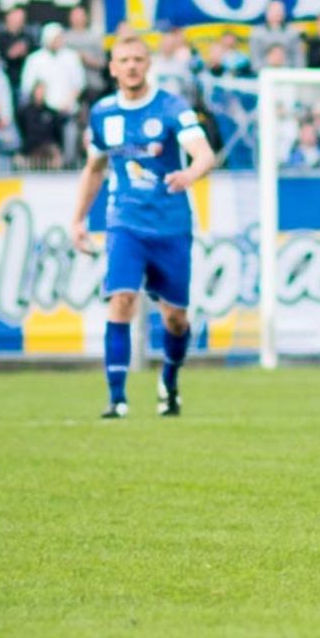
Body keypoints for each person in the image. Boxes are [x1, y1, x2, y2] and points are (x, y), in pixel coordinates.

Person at [71, 35, 216, 419]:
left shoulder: (171, 106)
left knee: (175, 317)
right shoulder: (102, 113)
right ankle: (116, 399)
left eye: (138, 59)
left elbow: (204, 153)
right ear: (112, 67)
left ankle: (169, 381)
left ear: (149, 64)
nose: (132, 66)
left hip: (171, 225)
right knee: (121, 299)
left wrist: (189, 173)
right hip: (125, 222)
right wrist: (78, 218)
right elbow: (95, 168)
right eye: (124, 60)